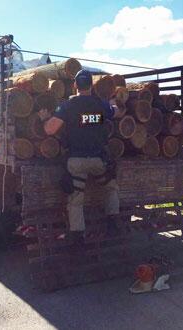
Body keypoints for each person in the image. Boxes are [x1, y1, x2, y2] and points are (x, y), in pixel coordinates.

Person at [38, 69, 126, 243]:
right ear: (91, 86)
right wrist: (115, 102)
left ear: (75, 85)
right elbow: (118, 112)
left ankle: (77, 235)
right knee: (111, 188)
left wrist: (44, 118)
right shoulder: (100, 104)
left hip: (76, 161)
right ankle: (112, 223)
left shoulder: (67, 106)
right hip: (98, 161)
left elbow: (49, 129)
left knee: (76, 199)